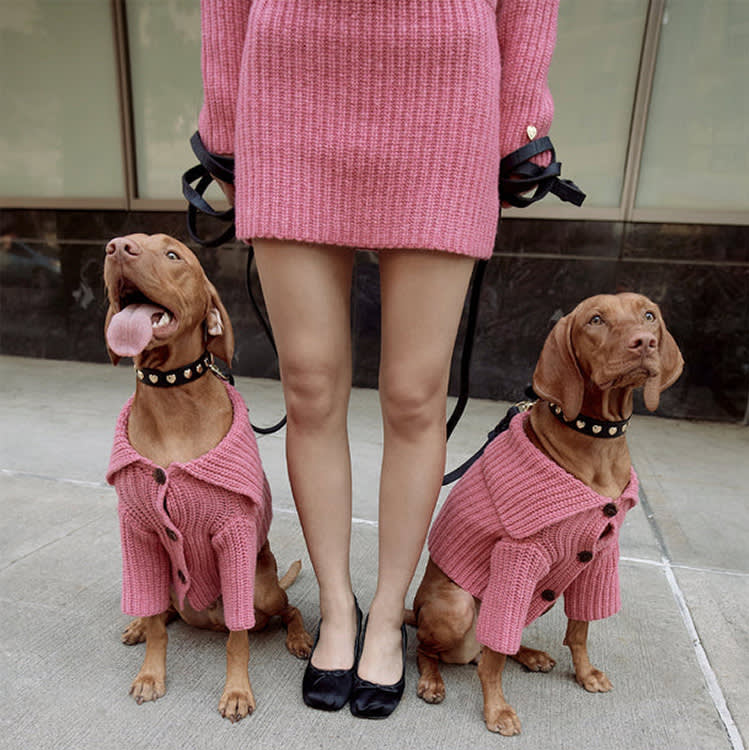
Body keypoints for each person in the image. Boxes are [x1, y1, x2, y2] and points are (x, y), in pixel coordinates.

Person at [198, 0, 559, 719]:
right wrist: (224, 121)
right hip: (288, 82)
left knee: (415, 395)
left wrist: (521, 120)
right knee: (307, 385)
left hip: (447, 88)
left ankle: (389, 611)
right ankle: (338, 606)